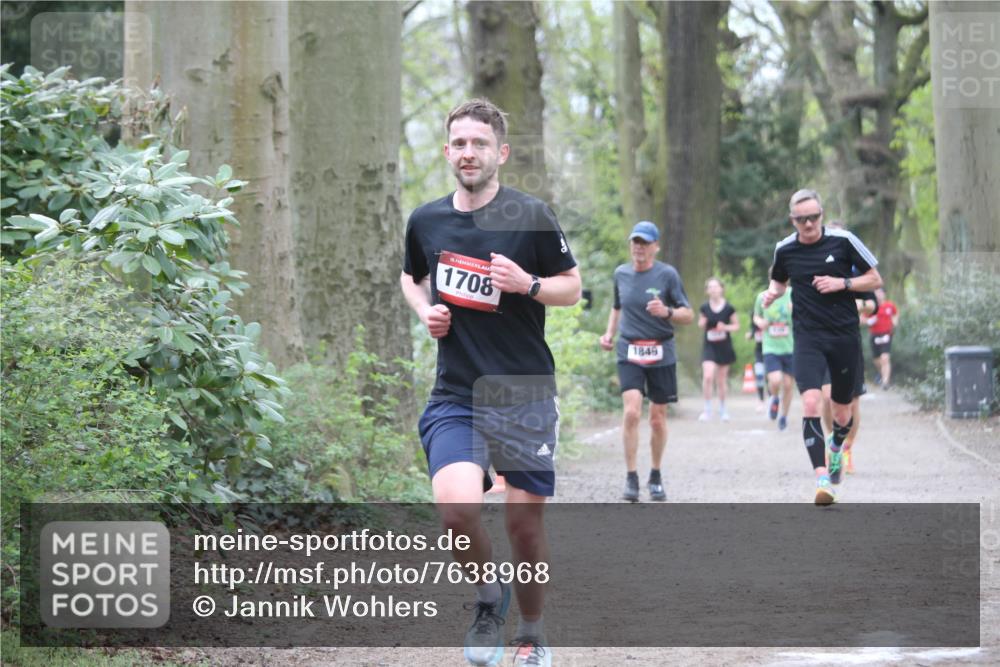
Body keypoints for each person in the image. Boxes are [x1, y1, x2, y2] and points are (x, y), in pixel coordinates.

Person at [400, 98, 581, 667]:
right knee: (456, 511)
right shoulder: (426, 220)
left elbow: (572, 287)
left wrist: (528, 284)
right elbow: (411, 277)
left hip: (523, 393)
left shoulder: (531, 215)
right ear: (447, 151)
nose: (468, 153)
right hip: (457, 393)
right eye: (459, 143)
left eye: (479, 143)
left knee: (525, 528)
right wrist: (425, 310)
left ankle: (531, 630)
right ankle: (487, 600)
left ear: (500, 152)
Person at [762, 189, 882, 505]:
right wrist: (772, 293)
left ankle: (836, 446)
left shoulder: (844, 241)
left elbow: (875, 280)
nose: (809, 224)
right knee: (813, 403)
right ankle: (822, 479)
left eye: (814, 217)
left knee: (842, 413)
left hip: (844, 336)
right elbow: (779, 280)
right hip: (807, 337)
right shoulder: (784, 249)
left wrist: (842, 283)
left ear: (822, 215)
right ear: (793, 220)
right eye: (802, 219)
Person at [599, 221, 694, 502]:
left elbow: (687, 314)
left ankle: (655, 474)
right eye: (635, 242)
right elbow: (617, 308)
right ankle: (631, 477)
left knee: (657, 419)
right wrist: (608, 334)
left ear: (655, 247)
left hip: (661, 351)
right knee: (631, 412)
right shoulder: (621, 274)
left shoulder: (667, 275)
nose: (639, 248)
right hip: (629, 351)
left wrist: (666, 312)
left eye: (645, 243)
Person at [819, 220, 877, 476]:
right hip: (820, 340)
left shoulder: (856, 267)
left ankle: (847, 448)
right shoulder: (815, 264)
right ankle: (833, 445)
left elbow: (872, 304)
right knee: (825, 396)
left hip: (848, 340)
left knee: (851, 400)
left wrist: (852, 305)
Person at [753, 283, 795, 431]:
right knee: (775, 380)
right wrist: (760, 322)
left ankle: (783, 416)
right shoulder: (762, 297)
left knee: (789, 385)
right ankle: (774, 398)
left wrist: (795, 310)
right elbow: (756, 316)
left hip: (790, 346)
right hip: (770, 346)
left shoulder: (793, 294)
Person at [698, 277, 739, 421]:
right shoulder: (704, 307)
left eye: (716, 287)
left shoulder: (729, 308)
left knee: (721, 380)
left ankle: (723, 409)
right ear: (707, 291)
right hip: (709, 346)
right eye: (710, 287)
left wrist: (725, 327)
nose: (714, 289)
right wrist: (702, 323)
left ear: (722, 289)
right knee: (708, 376)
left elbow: (736, 326)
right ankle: (707, 409)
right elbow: (701, 323)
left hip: (724, 347)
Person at [867, 287, 899, 389]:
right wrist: (869, 321)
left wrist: (895, 321)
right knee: (877, 360)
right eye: (877, 293)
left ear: (884, 294)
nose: (879, 295)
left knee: (885, 358)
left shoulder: (890, 305)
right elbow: (862, 318)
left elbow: (896, 313)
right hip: (874, 335)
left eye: (881, 292)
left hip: (886, 335)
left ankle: (886, 382)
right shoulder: (871, 307)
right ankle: (882, 374)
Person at [746, 307, 768, 412]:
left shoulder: (771, 320)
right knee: (759, 375)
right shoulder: (755, 322)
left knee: (770, 377)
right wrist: (750, 335)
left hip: (770, 352)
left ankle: (772, 399)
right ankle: (761, 400)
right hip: (759, 352)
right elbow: (752, 332)